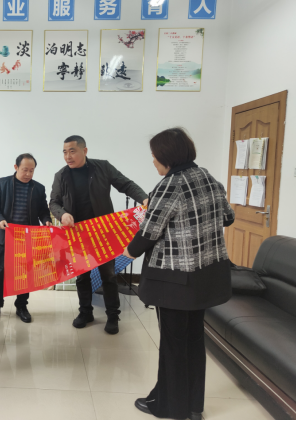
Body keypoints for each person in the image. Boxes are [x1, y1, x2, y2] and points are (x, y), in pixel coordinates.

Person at [123, 128, 235, 420]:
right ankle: (194, 406)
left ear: (166, 157)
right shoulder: (208, 178)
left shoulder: (169, 185)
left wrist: (129, 252)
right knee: (194, 340)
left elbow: (149, 232)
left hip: (174, 280)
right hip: (205, 276)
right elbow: (228, 217)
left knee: (173, 344)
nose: (153, 161)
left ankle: (170, 407)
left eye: (154, 156)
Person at [50, 135, 149, 335]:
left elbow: (126, 184)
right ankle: (85, 312)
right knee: (82, 276)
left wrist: (144, 198)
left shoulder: (102, 167)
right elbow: (54, 202)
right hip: (78, 234)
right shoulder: (61, 175)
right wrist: (62, 214)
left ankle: (113, 316)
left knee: (108, 275)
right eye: (64, 152)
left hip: (103, 232)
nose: (68, 156)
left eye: (72, 151)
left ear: (84, 151)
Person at [0, 153, 53, 323]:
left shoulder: (38, 188)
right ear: (16, 167)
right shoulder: (3, 183)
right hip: (7, 236)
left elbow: (43, 210)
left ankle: (21, 306)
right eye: (25, 170)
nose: (28, 174)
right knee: (1, 271)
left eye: (32, 170)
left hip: (28, 239)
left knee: (26, 273)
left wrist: (46, 220)